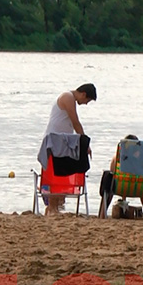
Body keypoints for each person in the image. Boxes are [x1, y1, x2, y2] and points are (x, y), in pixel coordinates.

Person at [42, 83, 97, 215]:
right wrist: (85, 143)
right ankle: (52, 207)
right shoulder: (67, 97)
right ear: (83, 94)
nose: (86, 104)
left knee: (62, 173)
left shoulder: (70, 98)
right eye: (87, 100)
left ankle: (55, 207)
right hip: (54, 142)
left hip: (62, 143)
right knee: (54, 175)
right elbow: (75, 122)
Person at [98, 134, 143, 220]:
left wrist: (123, 196)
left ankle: (102, 214)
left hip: (120, 188)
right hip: (140, 190)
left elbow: (114, 175)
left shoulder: (117, 158)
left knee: (108, 179)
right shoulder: (142, 161)